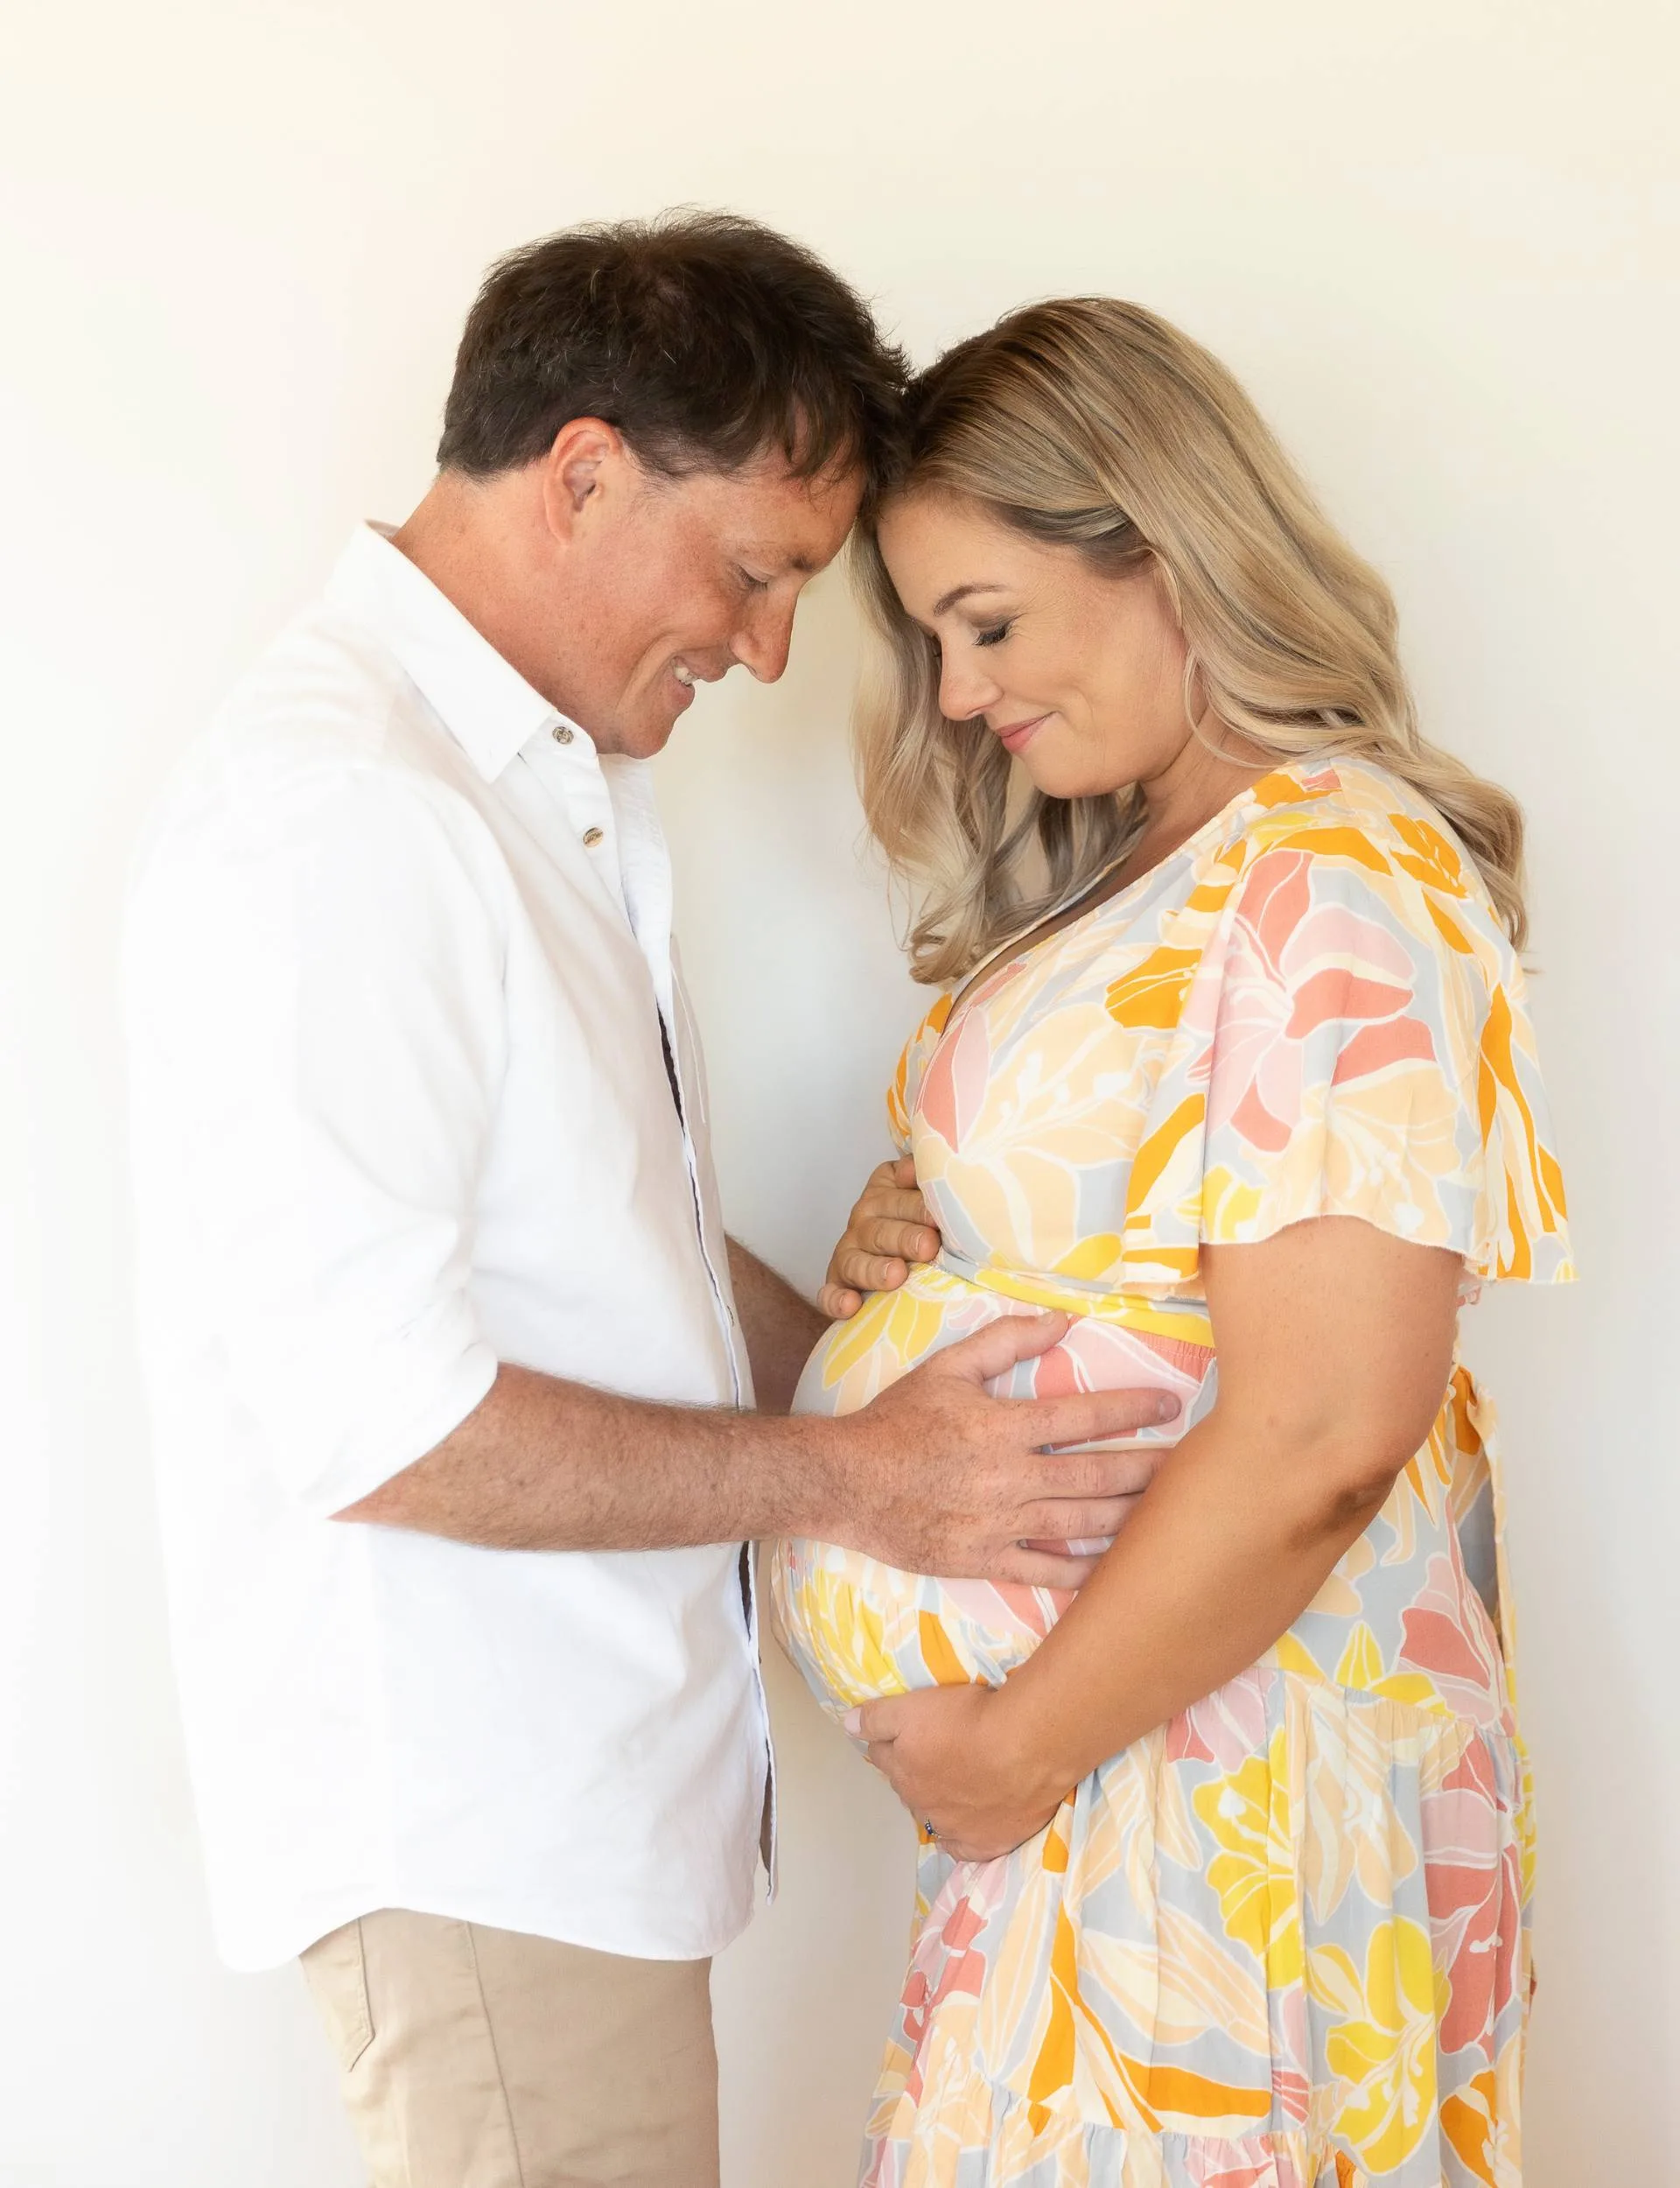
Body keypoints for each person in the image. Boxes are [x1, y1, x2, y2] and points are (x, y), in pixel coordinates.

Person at [122, 217, 1181, 2188]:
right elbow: (385, 1419)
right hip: (478, 1819)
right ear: (586, 471)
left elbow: (620, 1251)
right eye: (758, 573)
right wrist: (864, 1475)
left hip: (570, 1825)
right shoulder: (351, 809)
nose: (768, 649)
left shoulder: (521, 784)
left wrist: (879, 1361)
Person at [774, 296, 1573, 2187]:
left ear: (1163, 543)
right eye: (935, 642)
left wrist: (1018, 1743)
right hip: (1112, 1771)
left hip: (1213, 1765)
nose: (959, 694)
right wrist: (932, 1244)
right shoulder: (1147, 870)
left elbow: (1322, 1427)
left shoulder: (1337, 870)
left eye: (989, 625)